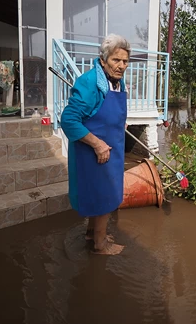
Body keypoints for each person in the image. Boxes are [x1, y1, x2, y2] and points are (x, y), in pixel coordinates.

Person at [60, 35, 130, 255]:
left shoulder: (116, 81)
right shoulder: (90, 82)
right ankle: (101, 245)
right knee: (104, 195)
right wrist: (97, 144)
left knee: (102, 194)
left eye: (125, 61)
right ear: (103, 60)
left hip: (113, 148)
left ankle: (92, 233)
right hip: (95, 151)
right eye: (115, 60)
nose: (120, 66)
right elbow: (69, 120)